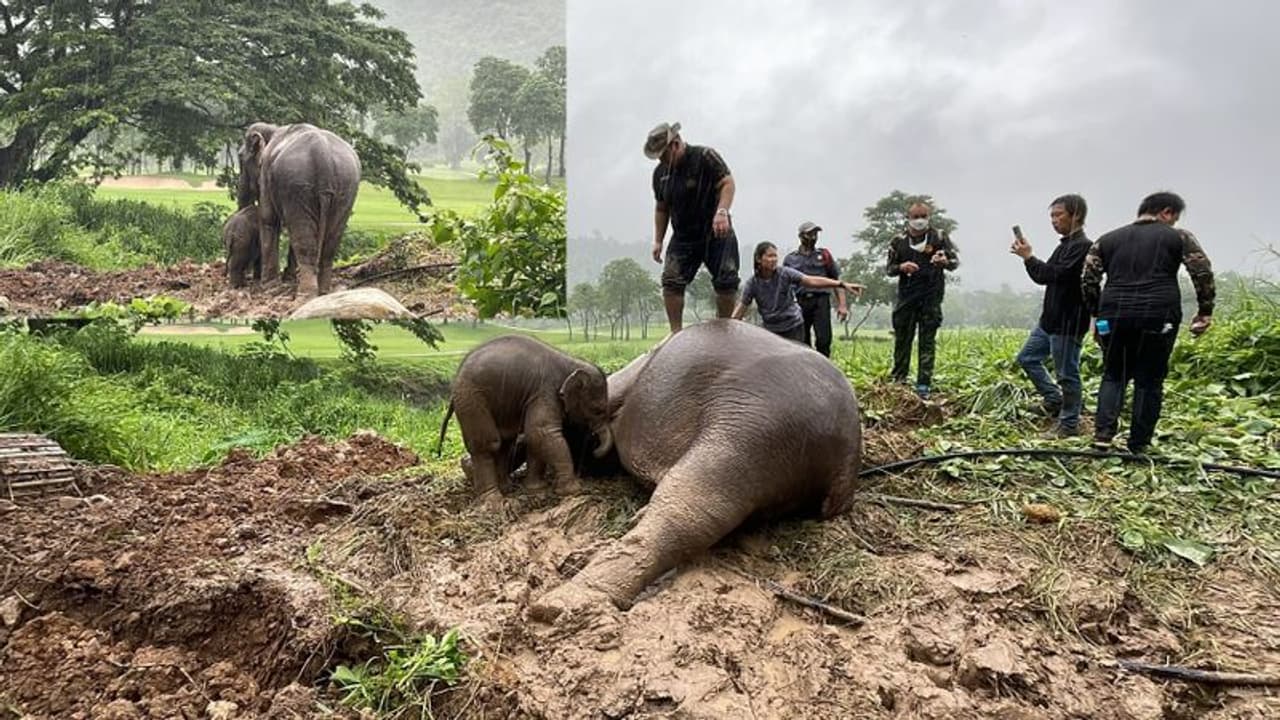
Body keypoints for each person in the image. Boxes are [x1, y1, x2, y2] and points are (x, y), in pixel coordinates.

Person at [1081, 191, 1215, 454]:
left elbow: (1088, 279)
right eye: (1173, 218)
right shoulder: (1179, 237)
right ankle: (1139, 443)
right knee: (1150, 379)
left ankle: (1103, 436)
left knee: (1113, 374)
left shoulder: (1106, 239)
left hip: (1112, 317)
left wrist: (1096, 315)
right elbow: (1201, 271)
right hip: (1159, 315)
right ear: (1166, 212)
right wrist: (1204, 311)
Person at [1010, 194, 1093, 437]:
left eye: (1059, 215)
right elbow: (1043, 275)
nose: (1054, 221)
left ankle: (1069, 423)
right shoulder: (1065, 245)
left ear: (1076, 215)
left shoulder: (1083, 247)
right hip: (1049, 321)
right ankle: (1054, 399)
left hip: (1069, 322)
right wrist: (1029, 259)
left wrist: (1028, 257)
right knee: (1027, 358)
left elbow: (1052, 274)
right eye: (1052, 216)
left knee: (1067, 374)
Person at [645, 121, 738, 333]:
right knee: (671, 280)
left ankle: (725, 328)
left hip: (716, 229)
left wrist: (722, 212)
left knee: (726, 280)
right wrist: (658, 239)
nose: (662, 160)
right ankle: (675, 333)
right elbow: (661, 208)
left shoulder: (705, 157)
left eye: (664, 155)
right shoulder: (660, 174)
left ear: (675, 144)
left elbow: (727, 183)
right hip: (684, 234)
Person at [885, 201, 959, 399]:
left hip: (931, 297)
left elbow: (955, 262)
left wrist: (944, 262)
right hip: (906, 298)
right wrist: (902, 267)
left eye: (923, 216)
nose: (919, 220)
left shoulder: (940, 237)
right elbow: (889, 269)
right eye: (915, 216)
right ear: (908, 218)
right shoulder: (898, 241)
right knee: (902, 340)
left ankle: (924, 384)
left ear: (929, 217)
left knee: (927, 342)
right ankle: (899, 379)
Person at [733, 241, 862, 343]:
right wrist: (729, 327)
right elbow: (742, 307)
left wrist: (841, 284)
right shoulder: (752, 283)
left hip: (793, 326)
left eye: (775, 256)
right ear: (759, 259)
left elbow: (811, 281)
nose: (774, 259)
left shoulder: (785, 273)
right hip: (771, 330)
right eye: (769, 256)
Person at [784, 221, 849, 357]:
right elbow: (783, 285)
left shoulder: (824, 255)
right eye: (809, 234)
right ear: (801, 236)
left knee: (824, 339)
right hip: (800, 302)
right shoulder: (790, 259)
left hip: (821, 301)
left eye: (815, 234)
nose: (813, 237)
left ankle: (824, 369)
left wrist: (842, 305)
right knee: (802, 341)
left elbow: (837, 281)